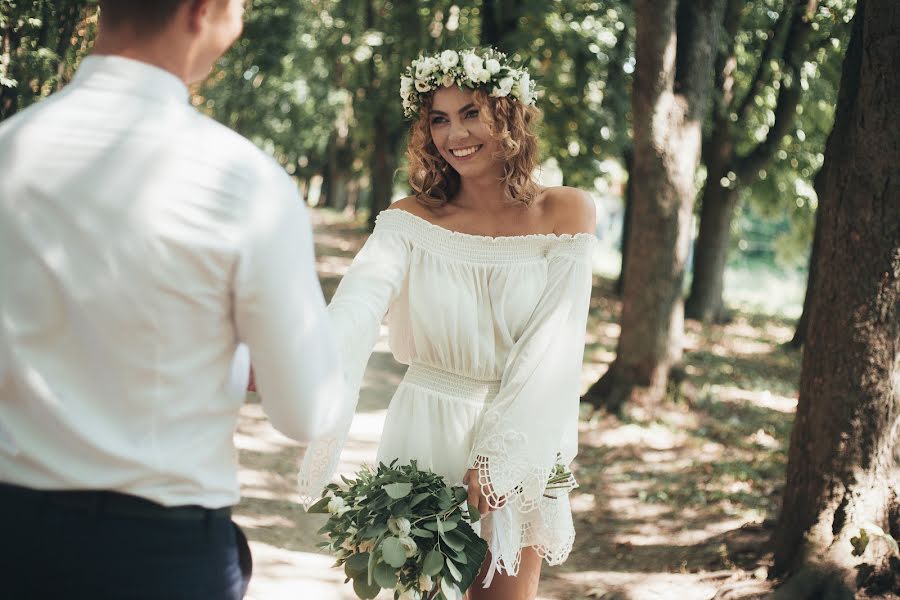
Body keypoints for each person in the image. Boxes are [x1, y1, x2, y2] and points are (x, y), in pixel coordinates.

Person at [0, 1, 346, 598]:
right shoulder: (243, 182)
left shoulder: (10, 148)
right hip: (158, 556)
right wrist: (235, 358)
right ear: (201, 10)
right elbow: (306, 413)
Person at [298, 48, 597, 600]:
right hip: (425, 426)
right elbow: (357, 305)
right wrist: (301, 360)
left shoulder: (566, 212)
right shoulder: (409, 219)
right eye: (438, 118)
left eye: (471, 113)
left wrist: (498, 455)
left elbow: (554, 346)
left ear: (509, 116)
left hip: (523, 427)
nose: (454, 133)